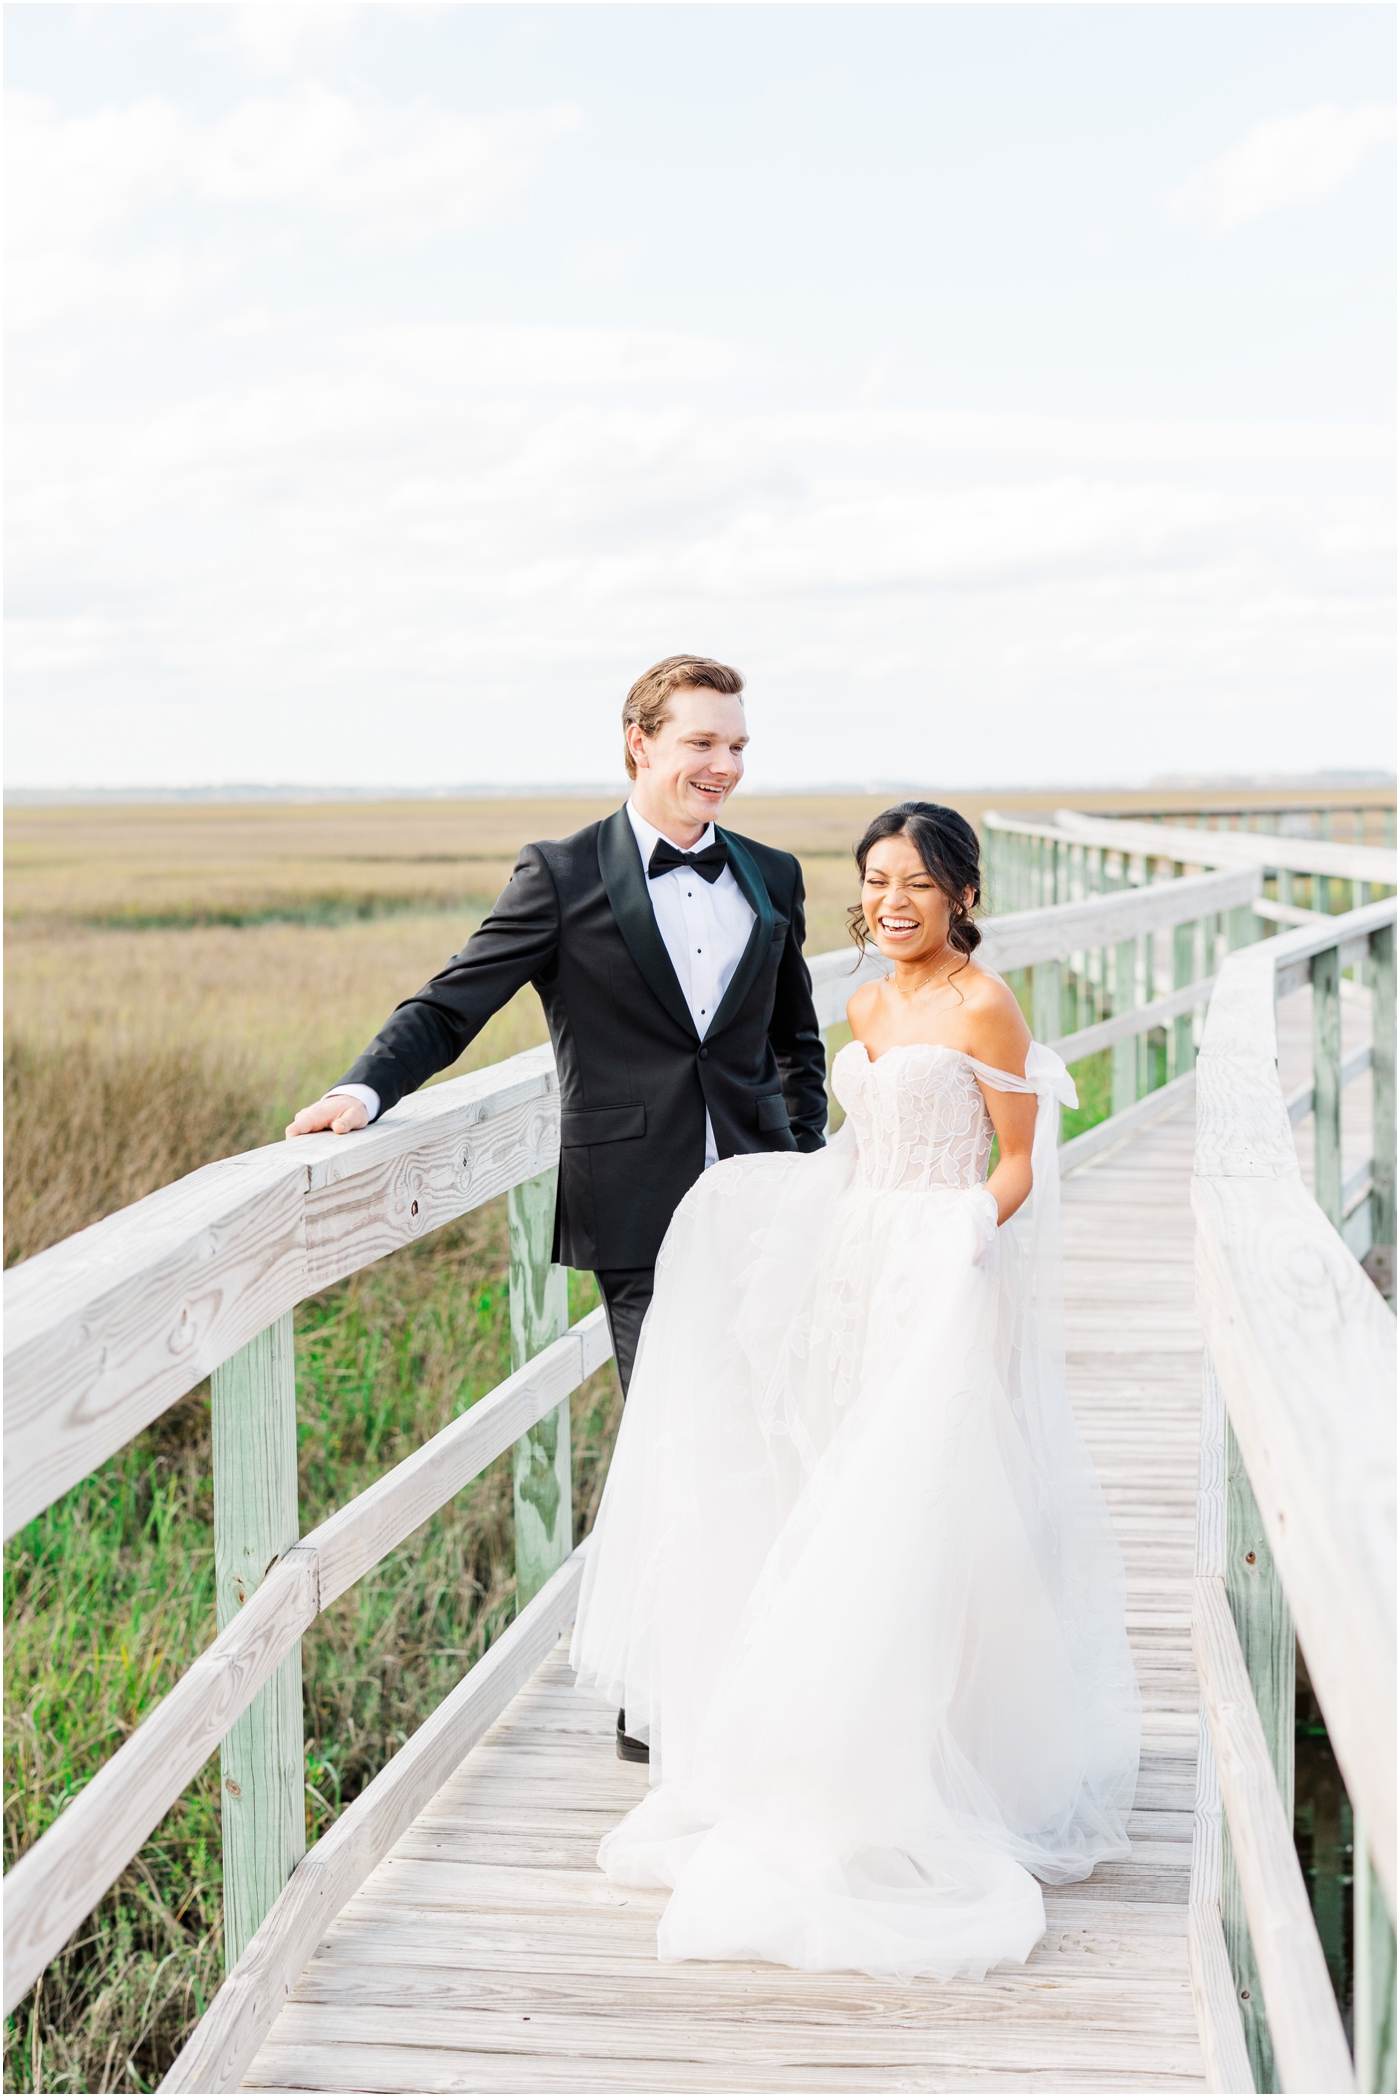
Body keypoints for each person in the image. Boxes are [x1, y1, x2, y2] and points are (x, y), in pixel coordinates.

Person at [569, 801, 1141, 1982]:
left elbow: (1019, 1158)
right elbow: (856, 1146)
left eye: (917, 884)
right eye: (876, 880)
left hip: (938, 1270)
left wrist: (969, 1235)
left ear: (963, 898)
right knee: (827, 1492)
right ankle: (835, 1742)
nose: (891, 901)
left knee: (919, 1508)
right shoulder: (865, 1001)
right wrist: (761, 1202)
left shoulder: (983, 1004)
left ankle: (931, 1758)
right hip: (851, 1273)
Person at [285, 654, 829, 1754]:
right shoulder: (563, 872)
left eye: (737, 746)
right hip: (640, 1209)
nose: (723, 766)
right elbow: (452, 1003)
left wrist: (804, 1149)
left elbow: (795, 1038)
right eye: (701, 744)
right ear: (639, 741)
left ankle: (765, 1675)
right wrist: (364, 1087)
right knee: (672, 1439)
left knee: (773, 1435)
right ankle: (658, 1699)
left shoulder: (769, 873)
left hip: (768, 1202)